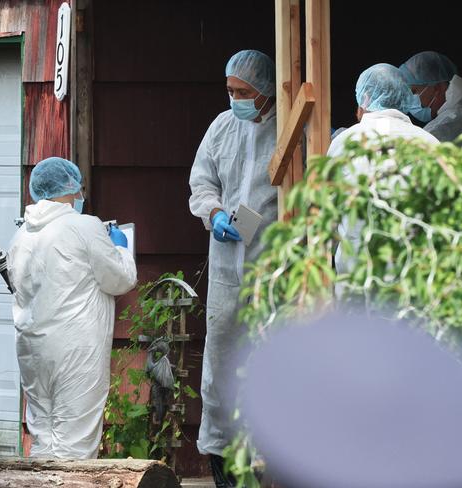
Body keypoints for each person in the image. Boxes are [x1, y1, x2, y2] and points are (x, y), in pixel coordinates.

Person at [7, 157, 137, 459]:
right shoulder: (85, 226)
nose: (81, 195)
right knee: (75, 445)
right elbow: (120, 279)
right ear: (69, 189)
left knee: (43, 440)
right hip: (76, 351)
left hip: (33, 350)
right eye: (78, 189)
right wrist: (120, 247)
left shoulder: (21, 235)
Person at [189, 49, 277, 487]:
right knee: (221, 360)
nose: (235, 98)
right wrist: (215, 211)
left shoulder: (291, 130)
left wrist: (246, 220)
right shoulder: (223, 126)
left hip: (270, 267)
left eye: (243, 91)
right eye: (230, 90)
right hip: (226, 269)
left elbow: (274, 198)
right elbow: (201, 180)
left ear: (264, 92)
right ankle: (222, 461)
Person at [327, 63, 439, 278]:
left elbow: (326, 213)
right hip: (413, 281)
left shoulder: (343, 142)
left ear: (365, 98)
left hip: (355, 279)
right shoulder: (430, 143)